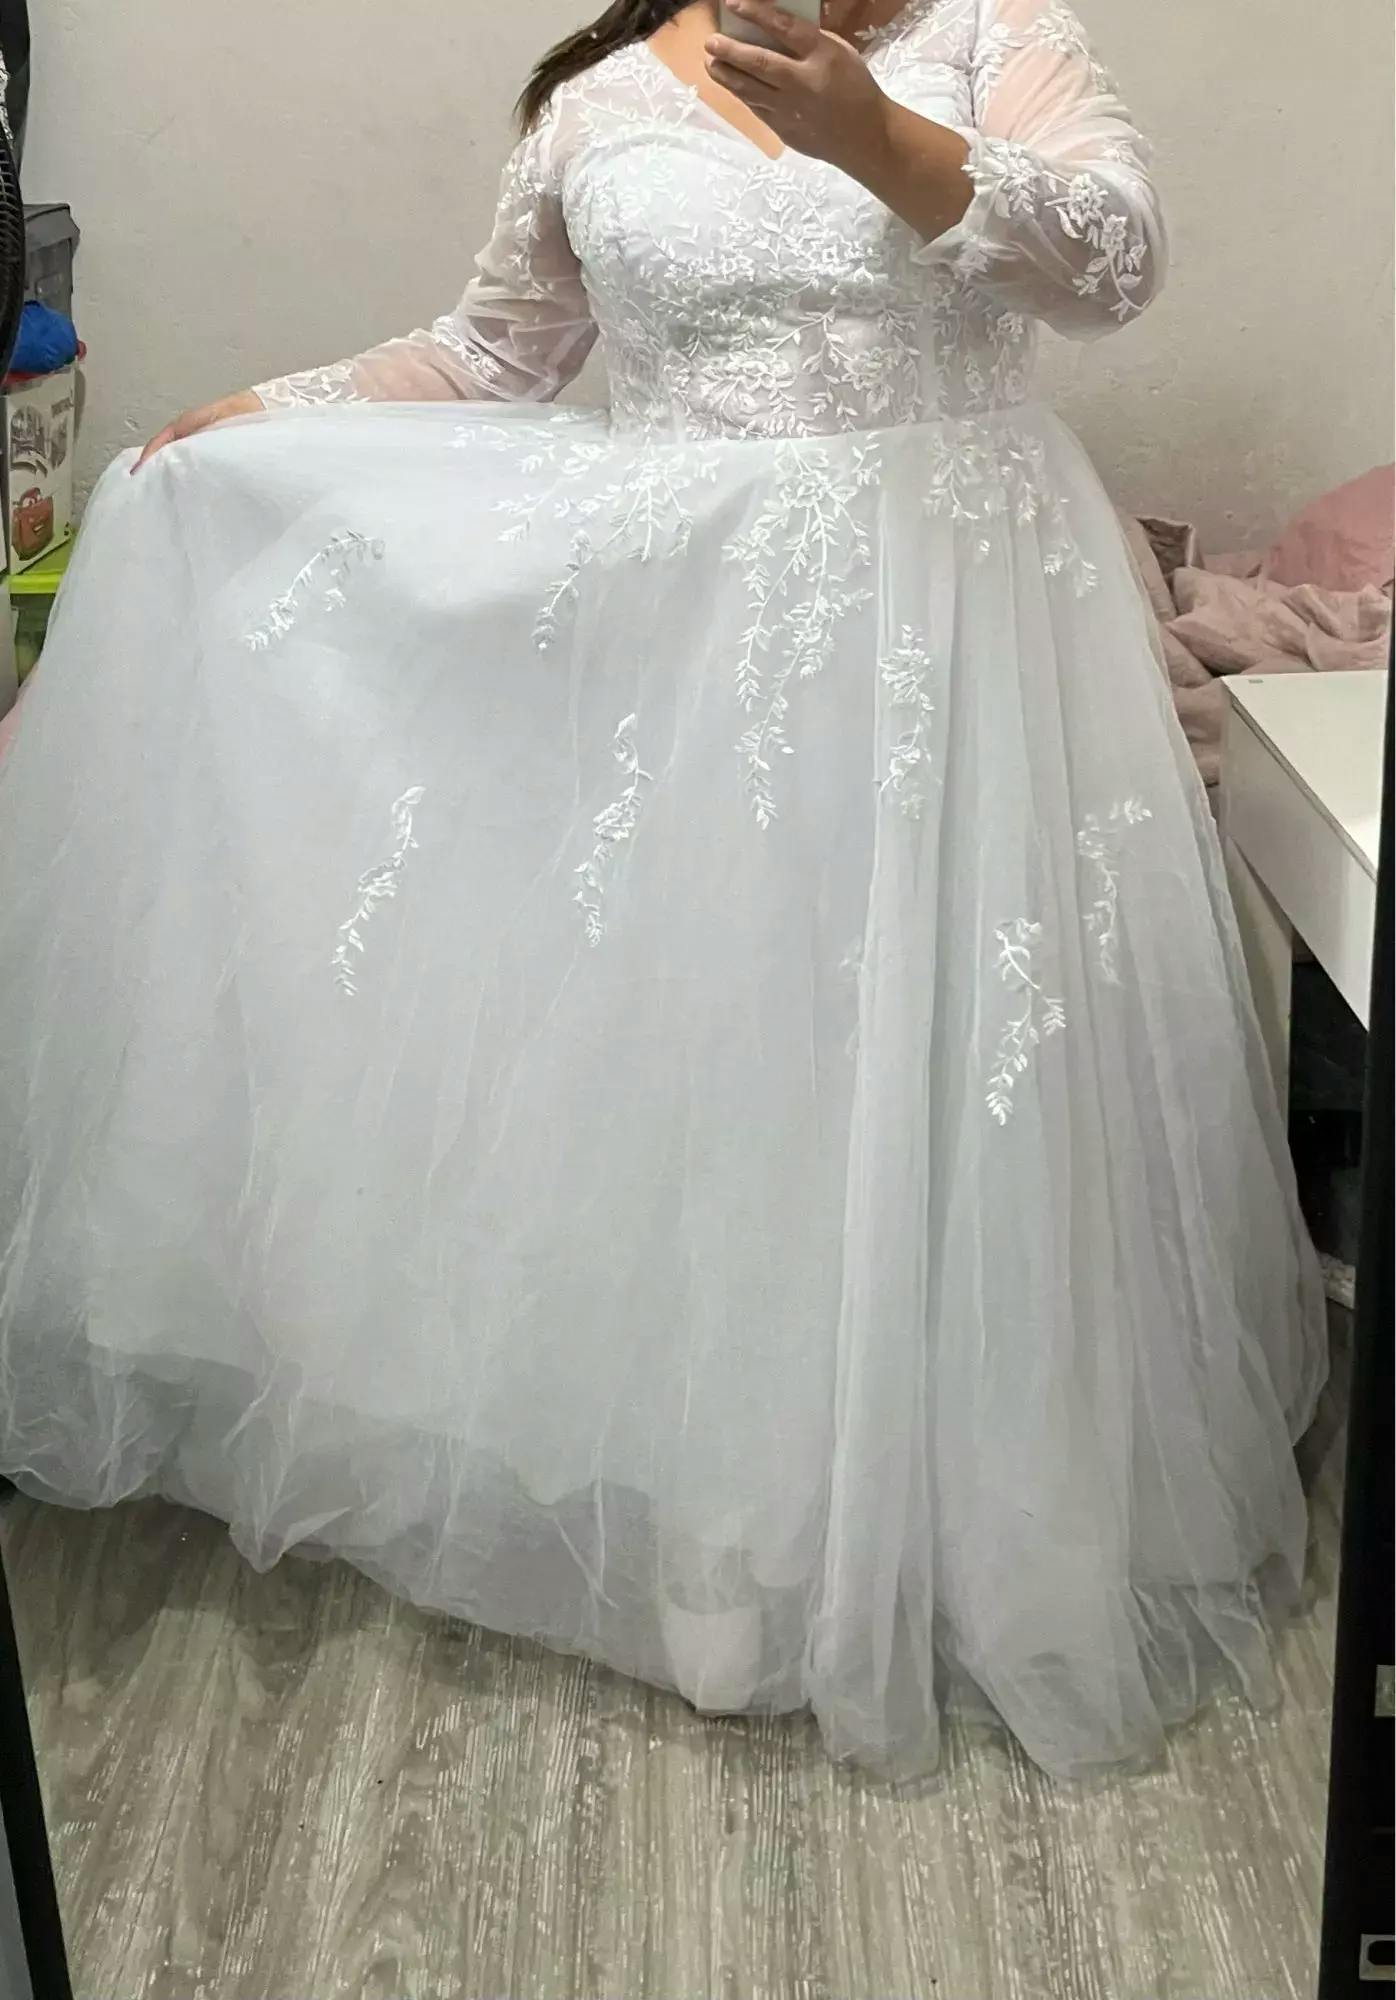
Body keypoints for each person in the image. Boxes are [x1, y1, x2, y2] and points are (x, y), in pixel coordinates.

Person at [0, 0, 1326, 1779]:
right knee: (713, 1070)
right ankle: (721, 1517)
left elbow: (1114, 265)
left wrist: (880, 137)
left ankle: (940, 1522)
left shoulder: (985, 34)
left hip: (949, 629)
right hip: (688, 648)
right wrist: (260, 416)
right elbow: (497, 352)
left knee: (931, 1068)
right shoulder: (596, 96)